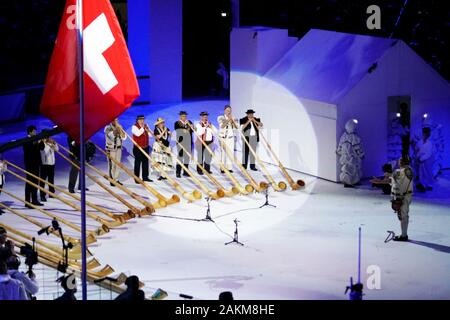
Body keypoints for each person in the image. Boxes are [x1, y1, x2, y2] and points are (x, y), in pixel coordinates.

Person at [390, 156, 414, 242]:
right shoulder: (410, 170)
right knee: (404, 215)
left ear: (402, 162)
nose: (398, 161)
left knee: (403, 216)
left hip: (402, 197)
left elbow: (394, 182)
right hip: (408, 195)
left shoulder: (399, 172)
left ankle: (404, 235)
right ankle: (404, 234)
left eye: (400, 160)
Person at [336, 119, 365, 187]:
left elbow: (340, 145)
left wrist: (338, 151)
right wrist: (361, 155)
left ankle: (349, 182)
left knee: (347, 170)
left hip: (345, 157)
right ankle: (350, 182)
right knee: (353, 169)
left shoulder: (343, 136)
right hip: (352, 157)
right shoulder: (354, 137)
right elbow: (357, 148)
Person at [23, 125, 44, 207]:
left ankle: (34, 200)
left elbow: (41, 148)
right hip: (30, 165)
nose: (35, 133)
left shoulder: (36, 139)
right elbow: (30, 150)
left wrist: (41, 141)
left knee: (35, 182)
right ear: (30, 132)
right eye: (34, 132)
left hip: (36, 164)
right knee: (29, 183)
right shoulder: (26, 140)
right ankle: (27, 202)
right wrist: (36, 143)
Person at [104, 118, 127, 186]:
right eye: (115, 120)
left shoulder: (119, 127)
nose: (116, 121)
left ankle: (116, 179)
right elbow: (111, 136)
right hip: (111, 149)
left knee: (118, 164)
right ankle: (112, 179)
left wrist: (121, 130)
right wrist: (117, 129)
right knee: (112, 165)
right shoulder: (107, 128)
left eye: (117, 120)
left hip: (119, 149)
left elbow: (124, 137)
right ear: (111, 121)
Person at [132, 115, 153, 183]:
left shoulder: (145, 126)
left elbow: (150, 135)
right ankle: (137, 178)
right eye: (140, 120)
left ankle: (145, 177)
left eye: (143, 120)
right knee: (137, 163)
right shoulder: (134, 127)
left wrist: (148, 130)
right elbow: (138, 134)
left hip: (145, 147)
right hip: (138, 148)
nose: (142, 121)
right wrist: (143, 128)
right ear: (137, 120)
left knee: (145, 163)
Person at [217, 105, 238, 173]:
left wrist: (232, 120)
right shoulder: (221, 117)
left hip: (230, 138)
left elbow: (236, 127)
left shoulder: (234, 118)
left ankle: (229, 168)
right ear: (224, 111)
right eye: (227, 110)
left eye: (230, 110)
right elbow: (222, 126)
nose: (229, 112)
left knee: (230, 153)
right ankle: (222, 168)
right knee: (223, 153)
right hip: (223, 138)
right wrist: (228, 119)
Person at [414, 127, 434, 192]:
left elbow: (429, 153)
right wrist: (417, 157)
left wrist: (422, 158)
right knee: (421, 173)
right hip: (420, 160)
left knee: (427, 172)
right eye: (424, 133)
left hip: (427, 159)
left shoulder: (430, 143)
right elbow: (417, 150)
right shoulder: (420, 142)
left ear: (428, 134)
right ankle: (422, 185)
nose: (425, 135)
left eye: (427, 133)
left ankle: (428, 185)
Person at [174, 111, 194, 178]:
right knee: (180, 157)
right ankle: (178, 172)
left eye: (185, 116)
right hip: (181, 143)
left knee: (187, 157)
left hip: (188, 142)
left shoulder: (189, 122)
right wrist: (187, 128)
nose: (184, 117)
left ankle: (185, 171)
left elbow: (192, 131)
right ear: (180, 116)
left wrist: (193, 127)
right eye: (183, 116)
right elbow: (180, 131)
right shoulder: (177, 123)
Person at [39, 137, 58, 202]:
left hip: (52, 164)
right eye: (49, 137)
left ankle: (51, 193)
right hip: (45, 164)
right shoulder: (42, 144)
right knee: (42, 181)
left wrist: (54, 144)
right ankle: (42, 195)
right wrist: (49, 145)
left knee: (51, 180)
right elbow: (44, 151)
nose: (51, 138)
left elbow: (57, 150)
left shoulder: (51, 143)